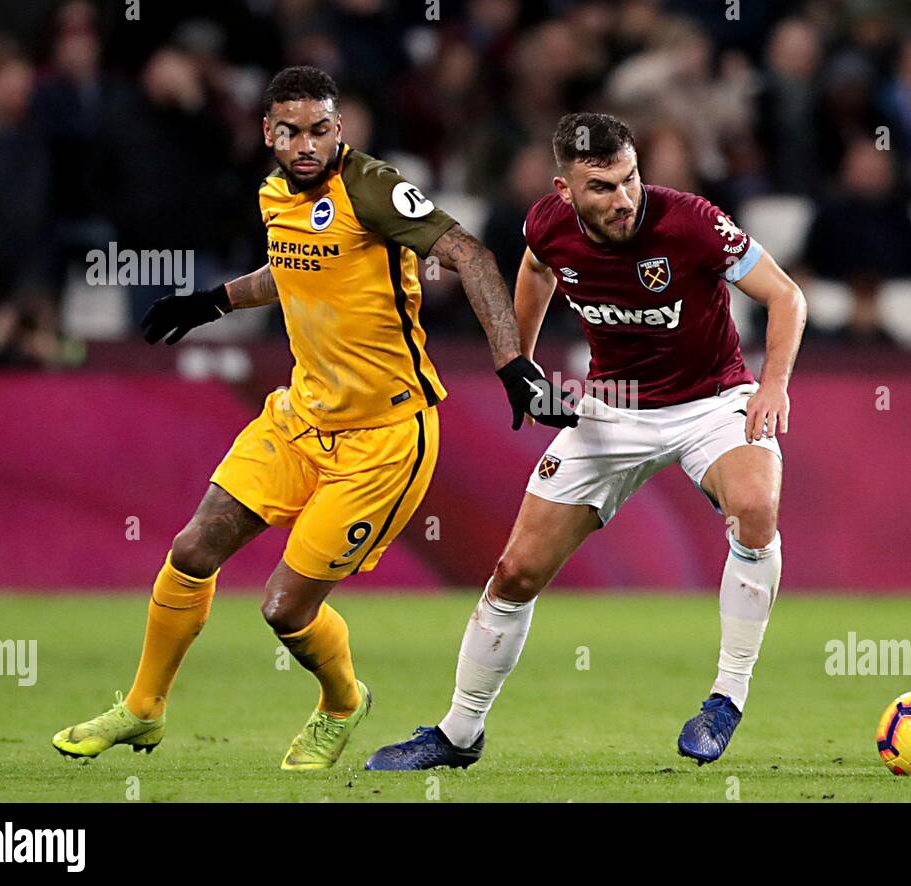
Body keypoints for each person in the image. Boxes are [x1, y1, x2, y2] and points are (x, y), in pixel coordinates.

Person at [51, 66, 575, 771]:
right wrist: (213, 303)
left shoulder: (373, 188)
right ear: (268, 133)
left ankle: (340, 702)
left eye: (320, 130)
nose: (306, 144)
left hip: (385, 440)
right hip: (299, 417)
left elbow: (471, 257)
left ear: (340, 129)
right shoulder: (273, 194)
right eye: (291, 131)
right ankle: (143, 712)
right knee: (191, 549)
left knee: (284, 611)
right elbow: (298, 270)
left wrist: (513, 363)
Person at [366, 112, 806, 770]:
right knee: (515, 572)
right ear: (564, 190)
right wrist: (518, 364)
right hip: (612, 408)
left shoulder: (691, 221)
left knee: (755, 509)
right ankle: (459, 733)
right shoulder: (544, 224)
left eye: (630, 180)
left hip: (712, 401)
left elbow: (786, 296)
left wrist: (773, 386)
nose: (623, 198)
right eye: (601, 187)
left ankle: (726, 697)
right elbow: (537, 271)